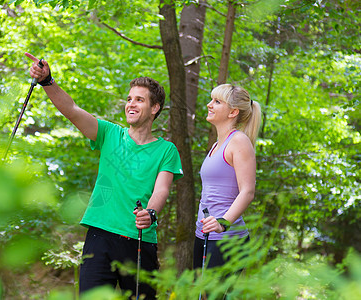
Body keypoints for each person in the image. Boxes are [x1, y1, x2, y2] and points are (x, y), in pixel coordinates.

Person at [25, 53, 183, 299]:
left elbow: (161, 189)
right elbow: (72, 110)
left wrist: (150, 213)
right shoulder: (110, 134)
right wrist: (48, 81)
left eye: (139, 100)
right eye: (129, 99)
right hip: (100, 237)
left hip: (140, 242)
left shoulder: (166, 150)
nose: (131, 104)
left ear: (154, 108)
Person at [193, 84, 261, 271]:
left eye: (217, 101)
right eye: (211, 99)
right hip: (204, 234)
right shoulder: (217, 144)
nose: (209, 105)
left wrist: (223, 223)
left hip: (227, 240)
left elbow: (247, 191)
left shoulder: (239, 141)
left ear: (233, 112)